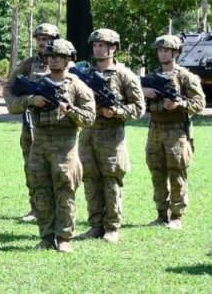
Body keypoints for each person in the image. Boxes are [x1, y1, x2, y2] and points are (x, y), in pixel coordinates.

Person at [18, 39, 95, 253]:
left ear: (68, 59)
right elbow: (13, 102)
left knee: (65, 193)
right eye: (50, 56)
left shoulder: (78, 86)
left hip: (65, 146)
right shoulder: (38, 84)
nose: (53, 60)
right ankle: (45, 237)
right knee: (41, 192)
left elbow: (89, 118)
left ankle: (63, 238)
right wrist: (31, 100)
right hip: (39, 144)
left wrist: (70, 110)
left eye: (59, 57)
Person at [76, 28, 143, 243]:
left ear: (113, 48)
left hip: (112, 137)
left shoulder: (125, 75)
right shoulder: (84, 74)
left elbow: (138, 108)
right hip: (88, 133)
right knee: (90, 180)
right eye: (95, 45)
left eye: (102, 45)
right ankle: (95, 225)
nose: (97, 49)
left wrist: (116, 111)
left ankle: (112, 227)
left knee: (111, 180)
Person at [142, 34, 205, 230]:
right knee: (157, 173)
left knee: (176, 173)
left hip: (177, 131)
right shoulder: (151, 77)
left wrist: (180, 104)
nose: (162, 54)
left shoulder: (185, 76)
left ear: (176, 53)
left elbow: (199, 103)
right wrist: (144, 93)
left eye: (166, 50)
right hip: (155, 129)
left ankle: (176, 215)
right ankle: (161, 214)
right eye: (160, 50)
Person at [2, 23, 59, 223]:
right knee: (32, 169)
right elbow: (9, 88)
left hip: (59, 128)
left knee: (59, 171)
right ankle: (36, 208)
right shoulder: (29, 64)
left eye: (47, 39)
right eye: (40, 39)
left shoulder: (66, 63)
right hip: (31, 125)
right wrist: (25, 102)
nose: (43, 43)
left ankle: (59, 210)